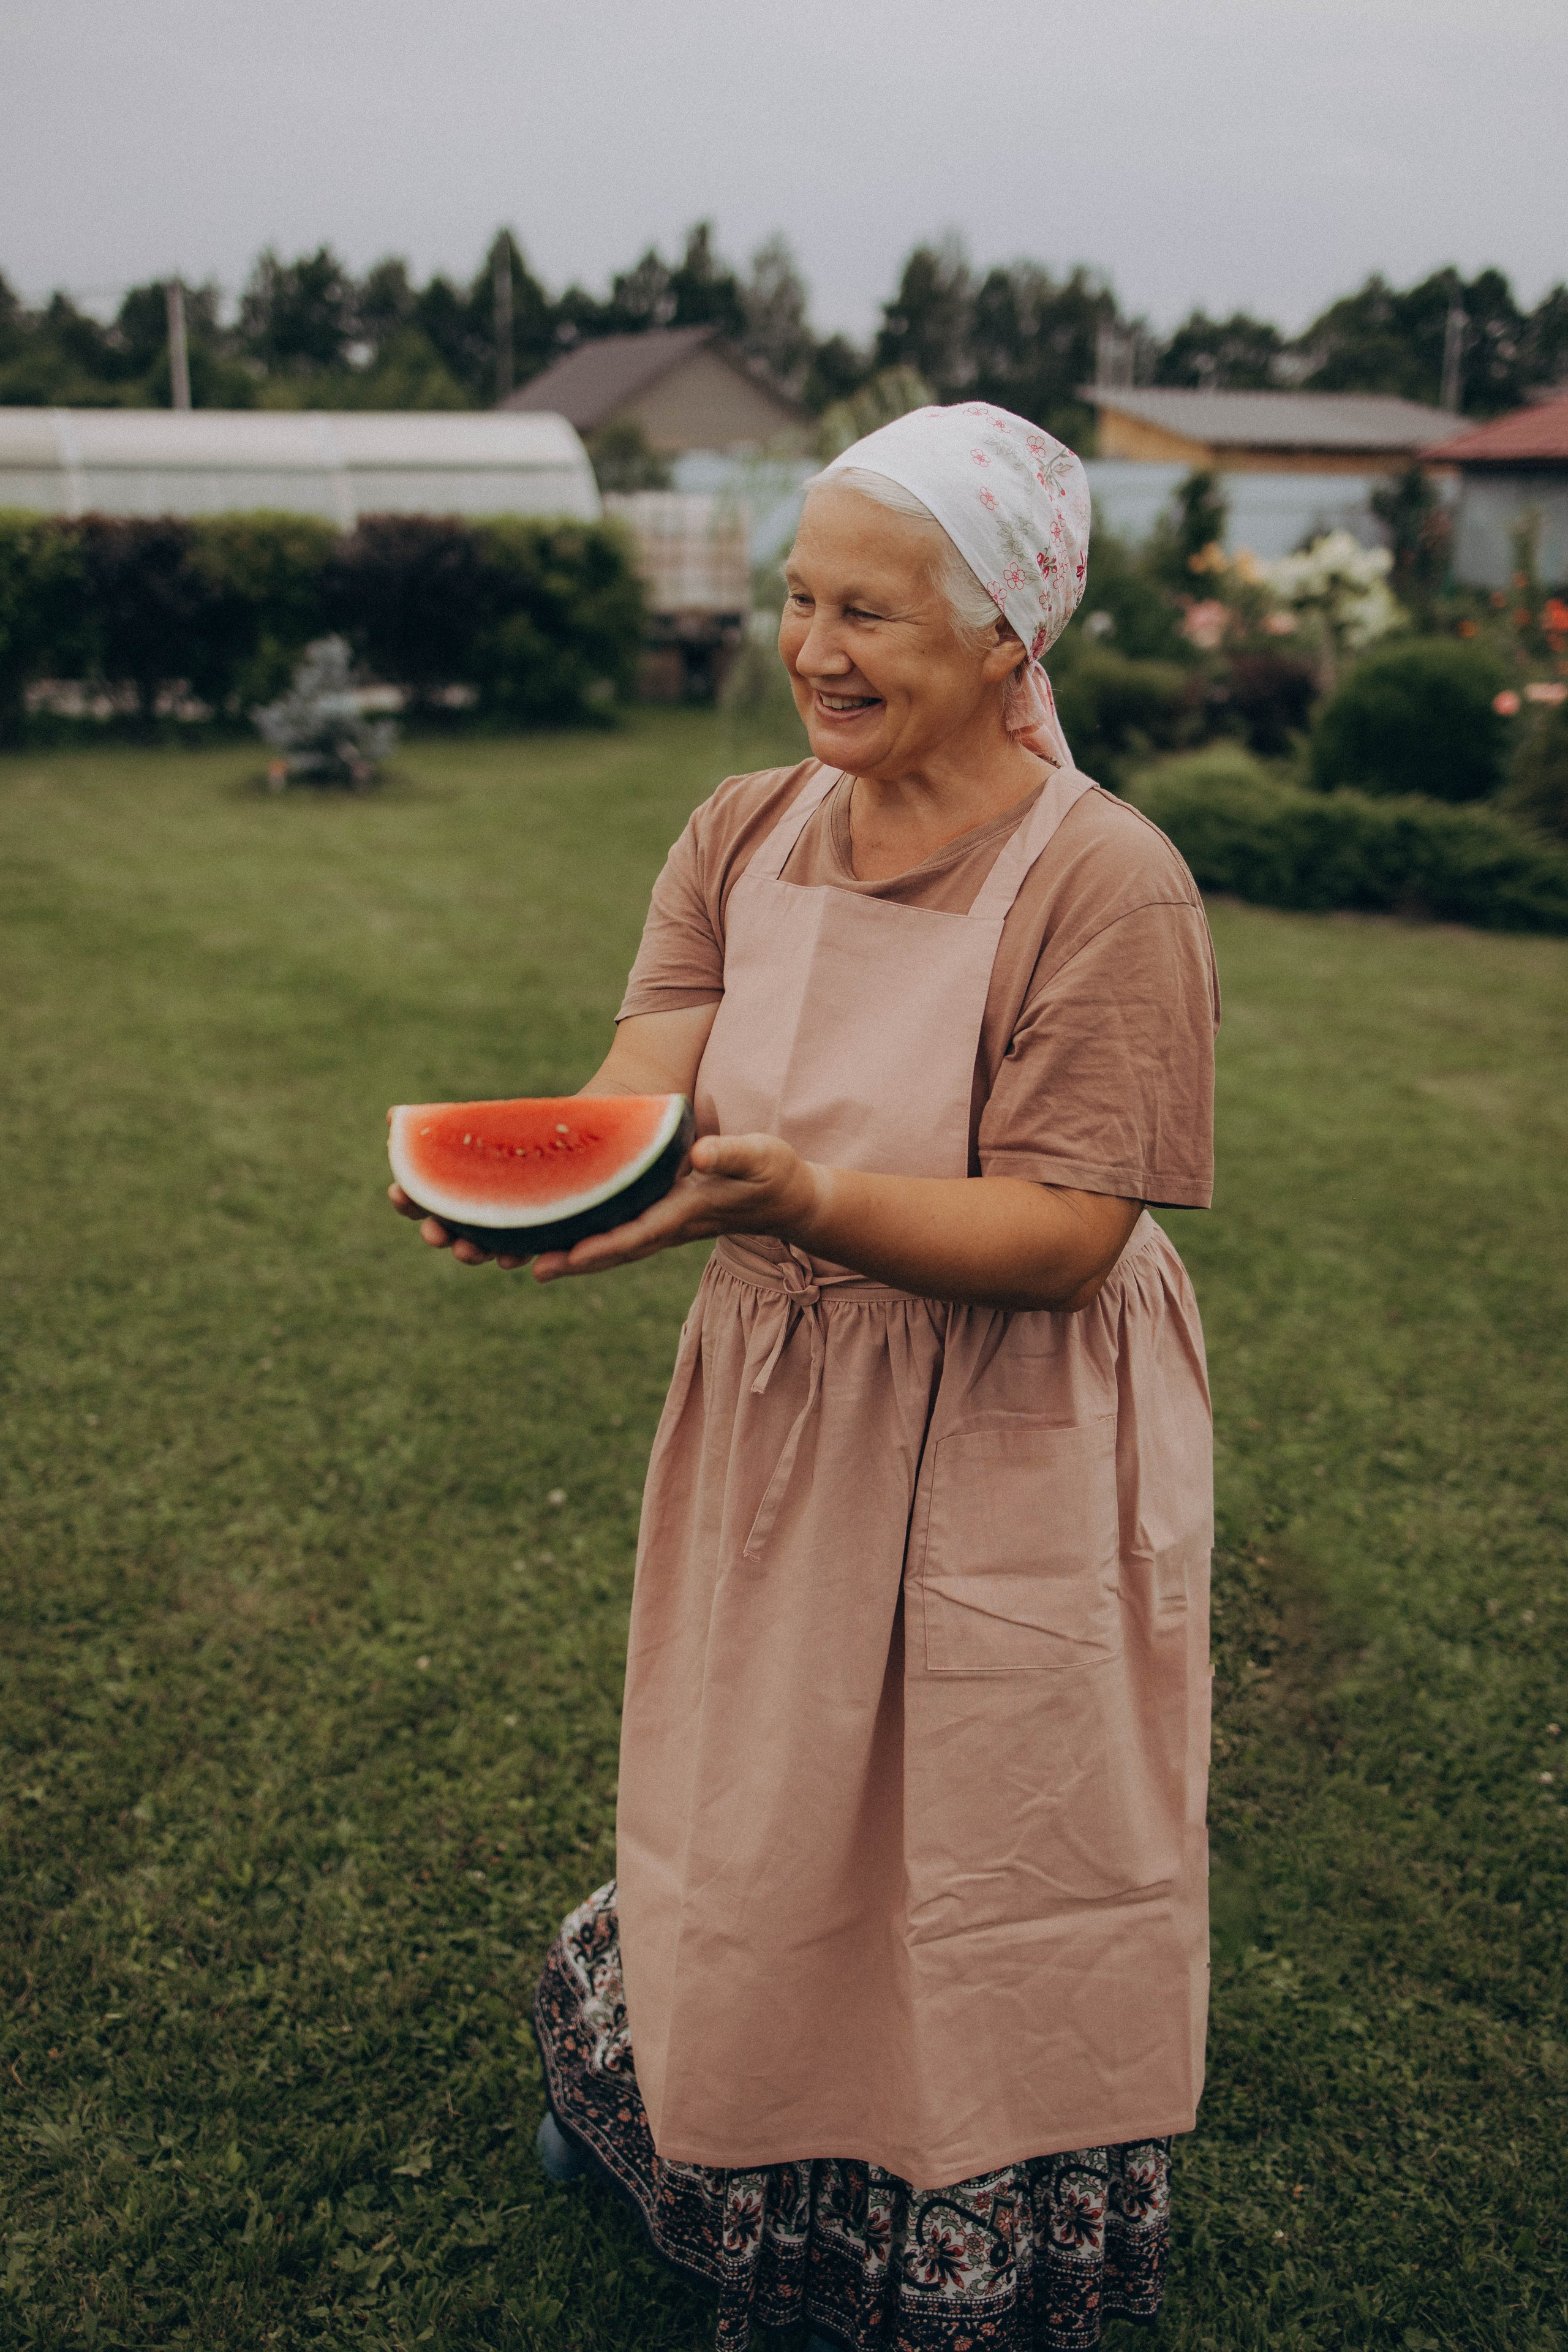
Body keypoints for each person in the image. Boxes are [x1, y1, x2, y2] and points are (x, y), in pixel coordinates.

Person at [391, 401, 1219, 2352]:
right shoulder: (741, 830)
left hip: (1017, 1418)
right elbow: (639, 1088)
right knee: (754, 1785)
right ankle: (680, 2132)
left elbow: (1071, 1230)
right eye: (800, 598)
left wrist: (809, 1196)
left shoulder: (1109, 880)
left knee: (985, 1819)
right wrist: (561, 1196)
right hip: (782, 1397)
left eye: (876, 614)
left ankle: (932, 2240)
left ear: (1012, 635)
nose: (817, 650)